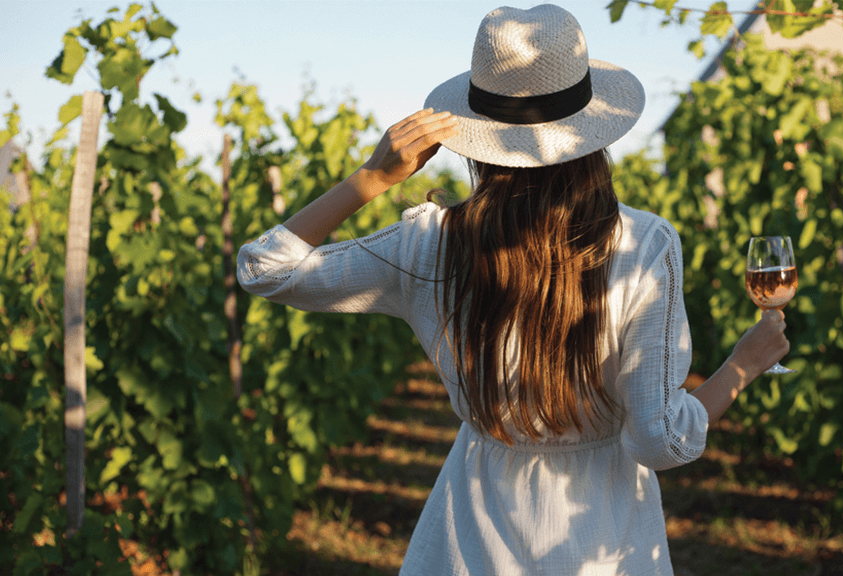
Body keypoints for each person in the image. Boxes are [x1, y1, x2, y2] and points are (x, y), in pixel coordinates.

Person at [237, 4, 789, 575]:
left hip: (467, 542)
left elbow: (263, 268)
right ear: (591, 127)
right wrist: (743, 365)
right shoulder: (644, 246)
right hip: (603, 542)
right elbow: (659, 439)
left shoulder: (429, 244)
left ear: (477, 135)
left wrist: (373, 177)